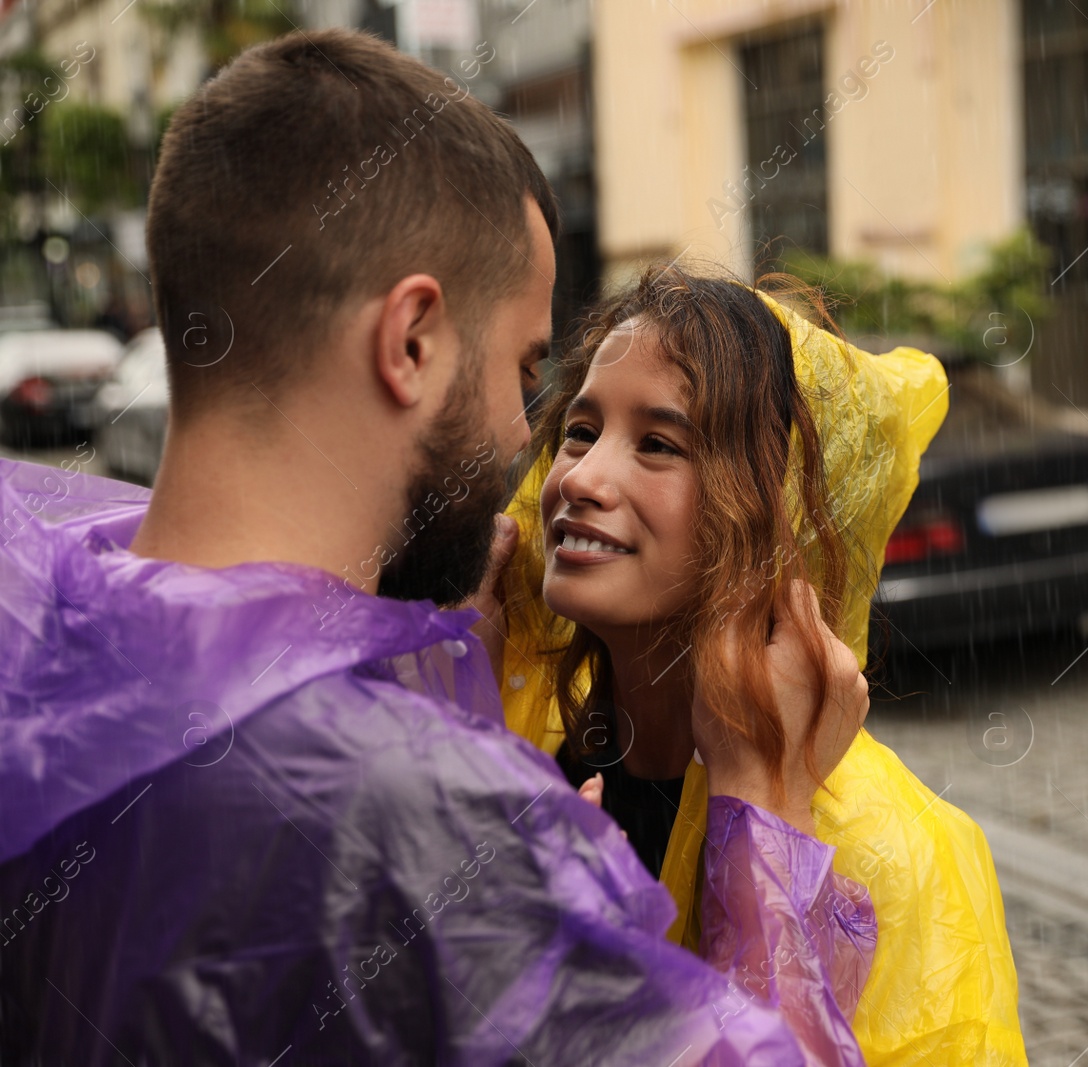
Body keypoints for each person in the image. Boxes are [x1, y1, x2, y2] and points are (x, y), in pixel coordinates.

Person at [0, 30, 878, 1065]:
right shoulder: (431, 821)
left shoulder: (38, 638)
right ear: (411, 340)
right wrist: (763, 816)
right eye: (522, 368)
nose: (530, 442)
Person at [496, 268, 1028, 1064]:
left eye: (659, 444)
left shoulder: (886, 851)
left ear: (778, 521)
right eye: (580, 429)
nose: (579, 477)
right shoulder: (523, 752)